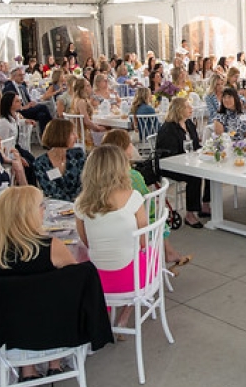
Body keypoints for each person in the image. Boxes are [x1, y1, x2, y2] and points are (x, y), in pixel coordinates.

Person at [0, 185, 77, 378]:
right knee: (57, 296)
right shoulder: (52, 247)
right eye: (41, 205)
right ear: (29, 214)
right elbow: (75, 281)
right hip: (55, 327)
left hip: (11, 332)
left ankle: (28, 370)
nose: (44, 209)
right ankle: (55, 362)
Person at [75, 145, 149, 333]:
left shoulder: (81, 203)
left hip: (97, 279)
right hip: (130, 278)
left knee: (88, 259)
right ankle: (124, 316)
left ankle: (105, 313)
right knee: (151, 254)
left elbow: (86, 242)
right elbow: (143, 242)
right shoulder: (133, 197)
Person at [100, 130, 191, 273]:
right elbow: (145, 201)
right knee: (158, 213)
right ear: (124, 150)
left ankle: (169, 251)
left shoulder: (99, 177)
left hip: (106, 227)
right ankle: (168, 252)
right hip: (136, 226)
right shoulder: (132, 176)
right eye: (129, 144)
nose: (132, 146)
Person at [155, 98, 210, 224]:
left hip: (188, 161)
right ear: (179, 110)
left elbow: (195, 144)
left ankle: (205, 204)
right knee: (194, 176)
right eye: (187, 107)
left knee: (210, 170)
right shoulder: (168, 129)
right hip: (170, 166)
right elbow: (169, 154)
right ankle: (190, 214)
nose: (191, 109)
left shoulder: (189, 124)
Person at [32, 120, 87, 202]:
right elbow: (50, 191)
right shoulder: (41, 163)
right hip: (56, 206)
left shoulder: (78, 154)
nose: (76, 137)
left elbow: (84, 183)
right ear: (61, 135)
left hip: (80, 203)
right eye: (72, 133)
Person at [2, 66, 53, 134]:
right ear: (14, 77)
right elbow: (8, 105)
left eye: (23, 75)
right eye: (20, 75)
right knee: (43, 107)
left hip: (28, 110)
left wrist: (32, 103)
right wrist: (24, 107)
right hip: (20, 111)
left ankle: (46, 135)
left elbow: (28, 100)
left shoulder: (23, 86)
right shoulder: (9, 88)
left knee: (42, 115)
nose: (22, 77)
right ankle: (53, 130)